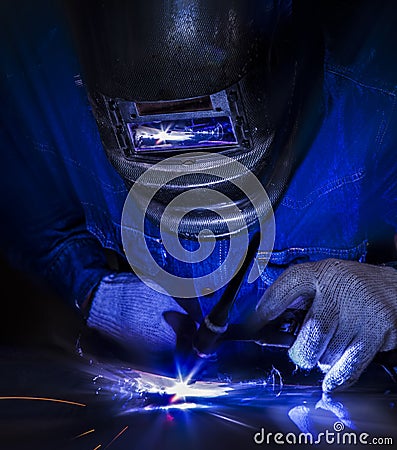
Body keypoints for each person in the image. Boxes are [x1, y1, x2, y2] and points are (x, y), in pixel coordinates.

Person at [0, 0, 396, 392]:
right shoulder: (34, 85)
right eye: (158, 131)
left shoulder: (379, 99)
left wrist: (391, 291)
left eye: (205, 127)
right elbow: (35, 231)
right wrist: (95, 292)